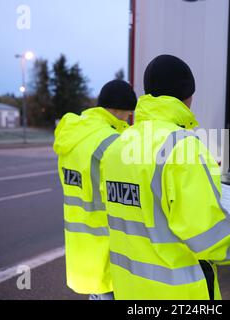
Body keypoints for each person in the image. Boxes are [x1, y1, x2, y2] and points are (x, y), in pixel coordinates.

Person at [100, 54, 230, 300]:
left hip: (128, 287)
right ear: (187, 96)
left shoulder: (118, 144)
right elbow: (204, 230)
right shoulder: (183, 146)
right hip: (178, 291)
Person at [53, 80, 137, 300]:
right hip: (109, 255)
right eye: (129, 114)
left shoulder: (73, 138)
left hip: (81, 253)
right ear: (117, 110)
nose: (129, 119)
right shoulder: (113, 143)